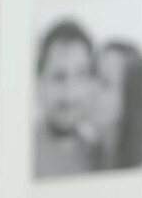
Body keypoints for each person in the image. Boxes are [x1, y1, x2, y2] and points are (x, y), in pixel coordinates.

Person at [33, 20, 99, 178]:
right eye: (58, 77)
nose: (70, 93)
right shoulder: (21, 153)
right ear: (40, 83)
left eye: (81, 75)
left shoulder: (100, 156)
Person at [94, 41, 142, 170]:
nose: (90, 89)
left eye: (105, 83)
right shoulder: (85, 155)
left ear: (130, 100)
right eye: (92, 74)